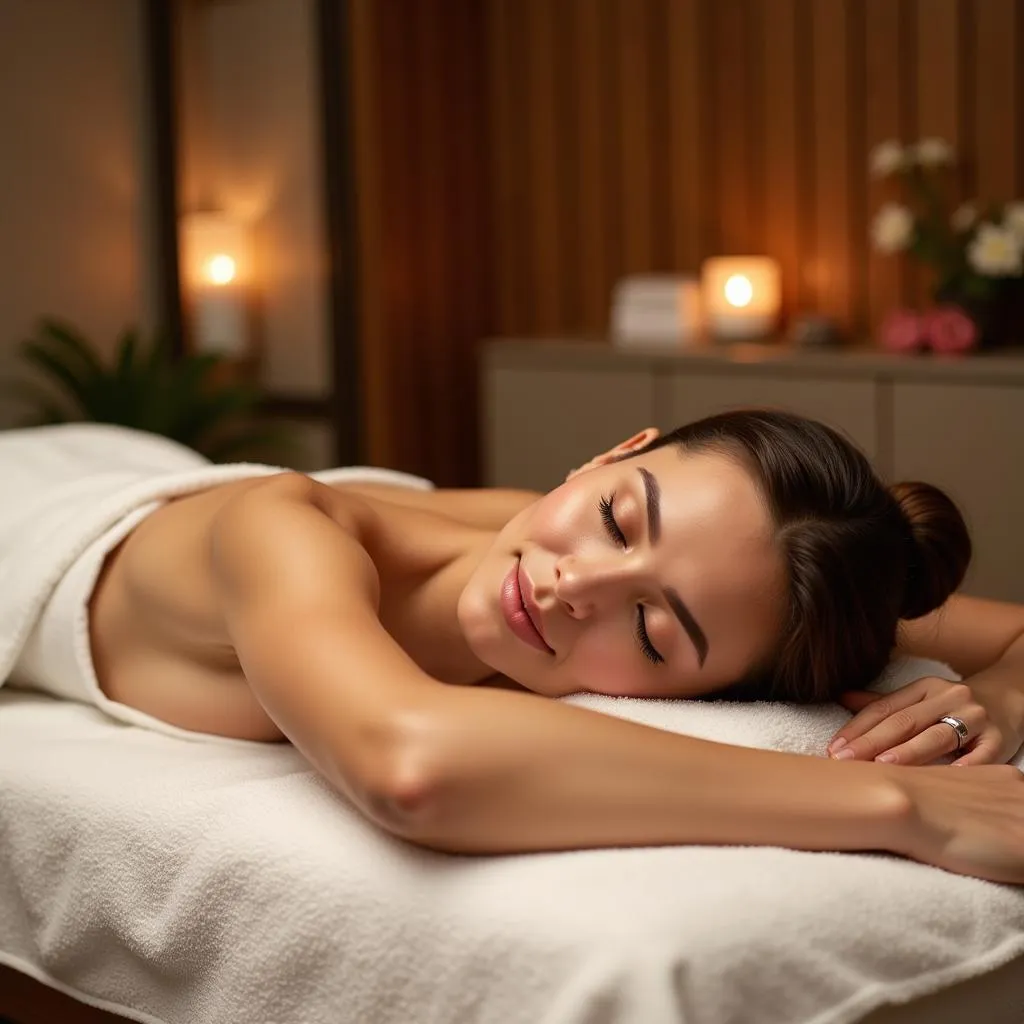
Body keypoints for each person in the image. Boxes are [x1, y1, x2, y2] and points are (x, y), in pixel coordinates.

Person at [76, 409, 1024, 882]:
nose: (572, 587)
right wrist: (904, 803)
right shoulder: (278, 525)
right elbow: (409, 764)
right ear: (615, 451)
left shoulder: (764, 590)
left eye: (654, 630)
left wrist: (1002, 701)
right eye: (618, 518)